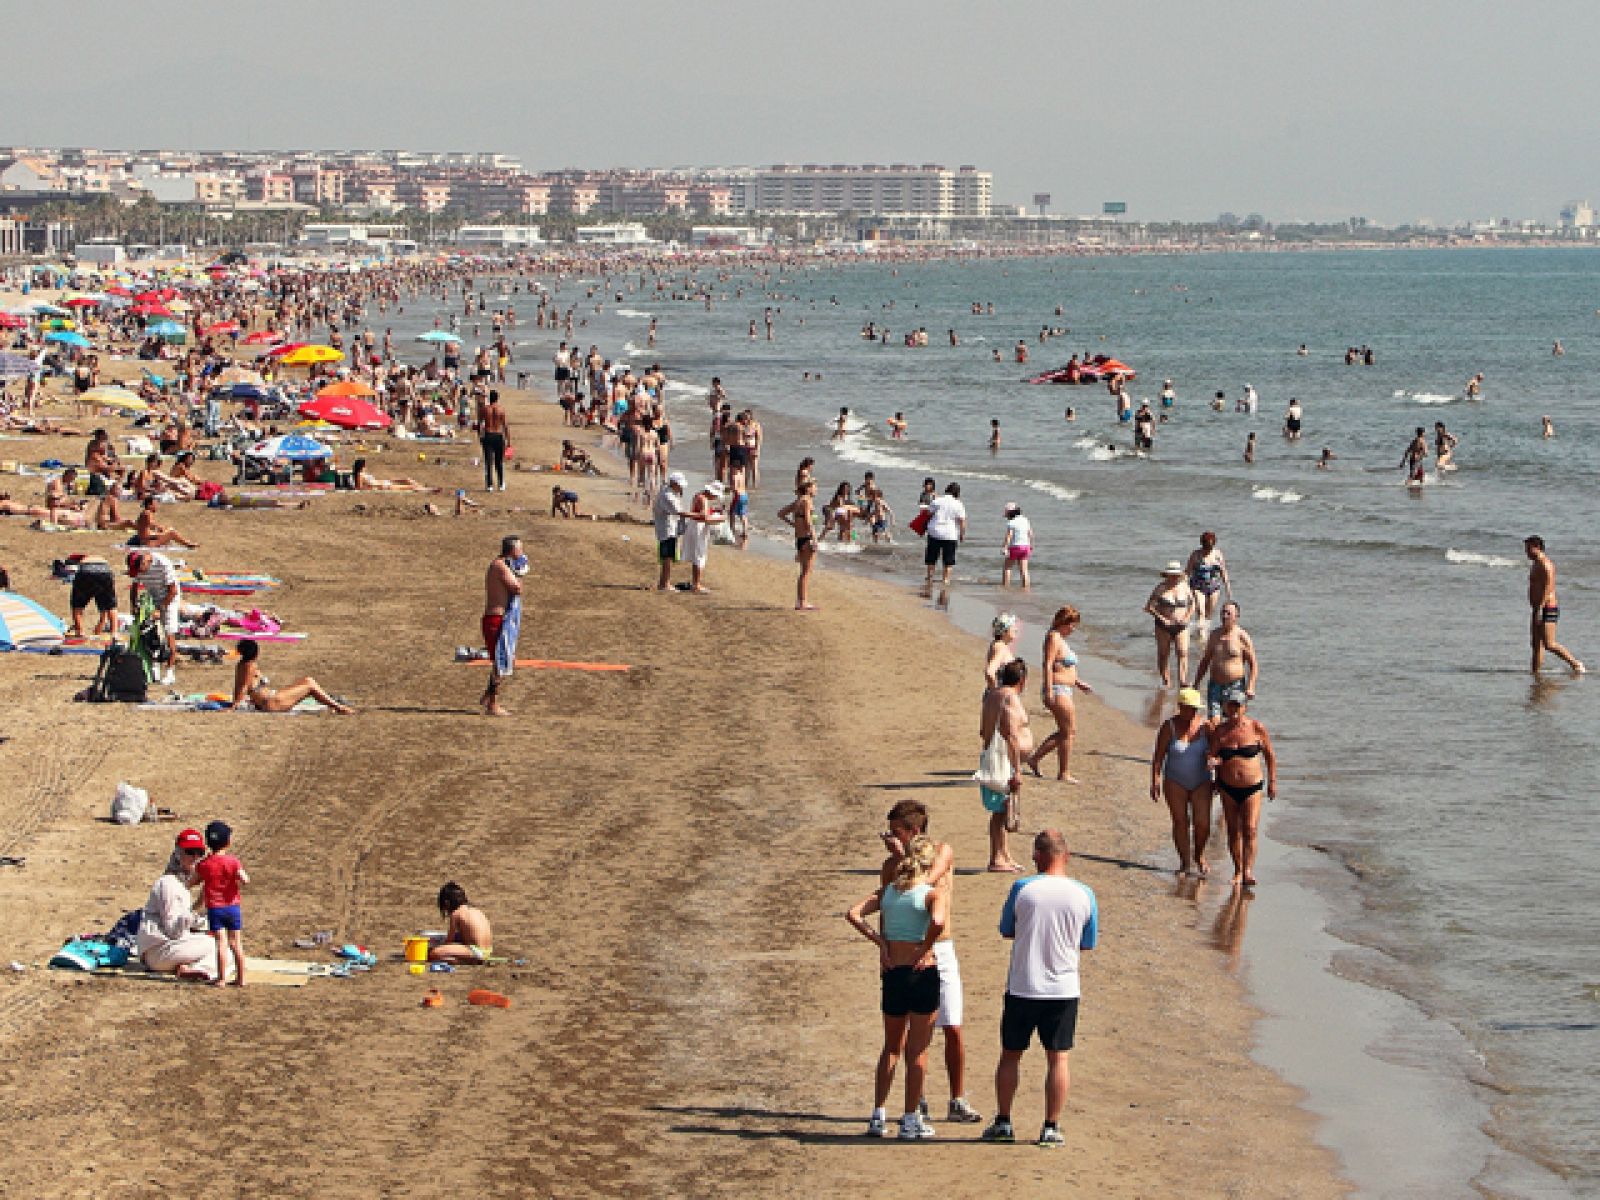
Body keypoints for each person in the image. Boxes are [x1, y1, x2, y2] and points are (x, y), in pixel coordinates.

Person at [981, 829, 1098, 1148]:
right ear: (1066, 856)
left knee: (1010, 1055)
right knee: (1058, 1059)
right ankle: (1051, 1126)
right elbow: (1087, 942)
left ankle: (1004, 1121)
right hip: (1063, 988)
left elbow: (1007, 929)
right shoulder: (1084, 893)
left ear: (1037, 856)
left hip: (1023, 985)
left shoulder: (1023, 888)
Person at [878, 800, 984, 1128]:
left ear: (914, 830)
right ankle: (917, 1100)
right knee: (908, 1033)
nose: (890, 838)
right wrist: (883, 948)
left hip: (941, 947)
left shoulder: (942, 852)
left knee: (952, 1026)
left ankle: (957, 1098)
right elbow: (886, 907)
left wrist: (902, 858)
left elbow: (926, 880)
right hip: (906, 952)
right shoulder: (890, 866)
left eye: (896, 831)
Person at [846, 834, 947, 1140]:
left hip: (893, 973)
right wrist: (925, 948)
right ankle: (910, 1118)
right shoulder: (931, 894)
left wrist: (881, 943)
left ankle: (878, 1114)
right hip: (921, 973)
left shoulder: (889, 891)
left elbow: (853, 914)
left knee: (891, 1047)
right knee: (918, 1051)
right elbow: (938, 922)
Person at [1208, 697, 1278, 887]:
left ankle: (1248, 871)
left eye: (1237, 706)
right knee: (1233, 830)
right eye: (1230, 706)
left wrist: (1272, 781)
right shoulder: (1220, 731)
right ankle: (1238, 870)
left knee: (1250, 829)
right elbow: (1212, 755)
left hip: (1252, 787)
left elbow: (1270, 755)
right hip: (1227, 787)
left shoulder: (1256, 728)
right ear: (1225, 707)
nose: (1233, 710)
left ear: (1244, 707)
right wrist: (1213, 764)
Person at [135, 829, 220, 981]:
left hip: (169, 947)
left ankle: (187, 968)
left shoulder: (182, 885)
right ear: (178, 854)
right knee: (220, 947)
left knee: (223, 943)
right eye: (190, 852)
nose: (195, 857)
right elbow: (173, 931)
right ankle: (197, 969)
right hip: (158, 950)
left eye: (199, 853)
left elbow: (186, 924)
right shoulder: (168, 884)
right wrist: (198, 906)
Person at [1149, 688, 1215, 876]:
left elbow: (1216, 752)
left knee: (1202, 823)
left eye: (1194, 708)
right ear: (1180, 706)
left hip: (1202, 781)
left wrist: (1217, 771)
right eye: (1187, 708)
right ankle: (1185, 862)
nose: (1191, 711)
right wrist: (1155, 779)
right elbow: (1158, 756)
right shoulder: (1168, 726)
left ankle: (1199, 855)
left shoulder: (1206, 727)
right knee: (1180, 822)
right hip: (1175, 781)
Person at [1027, 607, 1092, 783]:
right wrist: (1048, 690)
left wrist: (1078, 682)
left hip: (1065, 689)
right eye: (1071, 625)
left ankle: (1035, 759)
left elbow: (1062, 666)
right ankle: (1063, 772)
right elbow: (1048, 665)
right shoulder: (1053, 637)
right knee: (1068, 732)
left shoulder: (1060, 639)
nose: (1073, 629)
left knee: (1066, 731)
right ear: (1062, 622)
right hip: (1057, 689)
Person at [978, 659, 1031, 872]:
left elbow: (983, 730)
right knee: (1001, 812)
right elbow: (1011, 736)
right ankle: (996, 859)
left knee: (1003, 809)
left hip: (992, 757)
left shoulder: (992, 695)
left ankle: (1004, 855)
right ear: (1022, 680)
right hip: (1002, 761)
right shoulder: (1010, 698)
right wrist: (1017, 770)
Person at [229, 638, 354, 713]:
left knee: (307, 681)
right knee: (310, 683)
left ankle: (335, 704)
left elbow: (240, 686)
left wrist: (239, 701)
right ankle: (339, 707)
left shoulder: (243, 665)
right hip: (272, 703)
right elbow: (243, 687)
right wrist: (235, 705)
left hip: (271, 699)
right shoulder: (249, 666)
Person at [194, 820, 249, 988]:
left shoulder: (204, 864)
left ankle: (221, 978)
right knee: (236, 943)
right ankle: (241, 978)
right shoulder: (233, 862)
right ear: (228, 842)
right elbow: (245, 879)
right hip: (232, 907)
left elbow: (193, 881)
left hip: (215, 909)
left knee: (221, 943)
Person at [1525, 535, 1585, 675]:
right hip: (1537, 608)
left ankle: (1576, 664)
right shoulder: (1535, 564)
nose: (1526, 552)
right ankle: (1535, 674)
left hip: (1547, 607)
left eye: (1528, 549)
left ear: (1537, 547)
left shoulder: (1546, 564)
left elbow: (1549, 587)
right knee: (1536, 644)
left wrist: (1540, 607)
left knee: (1549, 644)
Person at [481, 535, 524, 716]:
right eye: (520, 549)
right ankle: (493, 704)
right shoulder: (499, 566)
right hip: (495, 619)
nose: (522, 552)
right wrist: (519, 574)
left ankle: (488, 696)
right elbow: (516, 588)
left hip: (498, 619)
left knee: (505, 660)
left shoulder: (501, 565)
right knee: (501, 662)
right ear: (512, 550)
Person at [1190, 602, 1258, 716]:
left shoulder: (1242, 637)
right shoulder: (1214, 635)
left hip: (1235, 686)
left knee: (1233, 720)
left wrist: (1251, 686)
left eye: (1228, 613)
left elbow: (1253, 664)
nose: (1224, 616)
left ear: (1236, 616)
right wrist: (1196, 683)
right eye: (1223, 613)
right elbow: (1205, 661)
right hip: (1215, 685)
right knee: (1213, 721)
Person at [127, 550, 181, 685]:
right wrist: (134, 605)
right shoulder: (138, 567)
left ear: (144, 562)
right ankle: (154, 667)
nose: (140, 573)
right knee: (149, 633)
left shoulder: (163, 563)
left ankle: (170, 672)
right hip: (152, 599)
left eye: (141, 570)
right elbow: (134, 587)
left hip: (169, 598)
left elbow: (173, 590)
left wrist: (160, 609)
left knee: (169, 633)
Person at [1144, 563, 1197, 688]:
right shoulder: (1160, 588)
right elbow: (1149, 607)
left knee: (1183, 652)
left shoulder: (1185, 587)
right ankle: (1166, 680)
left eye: (1176, 575)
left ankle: (1182, 681)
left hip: (1182, 625)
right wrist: (1162, 619)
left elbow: (1193, 604)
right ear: (1167, 575)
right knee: (1163, 654)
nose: (1174, 577)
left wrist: (1187, 617)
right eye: (1171, 575)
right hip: (1163, 626)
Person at [777, 478, 819, 611]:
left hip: (799, 538)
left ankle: (800, 601)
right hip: (807, 538)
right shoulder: (807, 501)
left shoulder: (798, 501)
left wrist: (794, 524)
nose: (816, 489)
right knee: (806, 572)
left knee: (803, 571)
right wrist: (814, 538)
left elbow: (781, 513)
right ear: (808, 488)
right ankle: (803, 601)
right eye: (815, 486)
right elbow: (808, 521)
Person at [429, 881, 494, 964]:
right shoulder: (476, 911)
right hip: (488, 951)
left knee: (434, 953)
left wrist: (436, 947)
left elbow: (449, 942)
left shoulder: (456, 914)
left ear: (447, 903)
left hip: (477, 952)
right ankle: (469, 959)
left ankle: (466, 960)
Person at [680, 480, 726, 594]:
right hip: (698, 528)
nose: (715, 498)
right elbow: (705, 518)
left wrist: (712, 511)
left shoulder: (698, 495)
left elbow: (699, 513)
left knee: (697, 555)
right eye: (715, 496)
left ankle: (695, 582)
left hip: (694, 525)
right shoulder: (704, 499)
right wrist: (721, 518)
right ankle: (696, 585)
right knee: (699, 556)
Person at [1184, 532, 1232, 628]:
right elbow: (1187, 572)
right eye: (1206, 547)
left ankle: (1204, 631)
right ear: (1202, 544)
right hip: (1197, 586)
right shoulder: (1195, 555)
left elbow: (1223, 572)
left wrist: (1228, 588)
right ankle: (1201, 634)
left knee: (1208, 614)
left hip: (1214, 587)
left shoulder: (1218, 554)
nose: (1207, 550)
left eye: (1210, 548)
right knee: (1201, 612)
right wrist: (1181, 586)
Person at [923, 483, 966, 586]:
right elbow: (962, 521)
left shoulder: (937, 501)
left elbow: (928, 513)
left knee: (932, 558)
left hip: (935, 532)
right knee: (948, 560)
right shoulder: (958, 504)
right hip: (950, 534)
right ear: (957, 493)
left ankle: (930, 577)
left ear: (946, 490)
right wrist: (962, 534)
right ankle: (945, 580)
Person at [68, 554, 119, 637]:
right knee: (110, 605)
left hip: (85, 571)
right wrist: (100, 625)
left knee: (77, 605)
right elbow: (104, 608)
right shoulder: (98, 558)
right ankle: (114, 633)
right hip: (105, 570)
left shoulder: (80, 560)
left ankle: (79, 631)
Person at [652, 472, 687, 591]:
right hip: (667, 529)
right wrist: (698, 516)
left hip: (669, 528)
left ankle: (664, 582)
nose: (681, 487)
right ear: (673, 483)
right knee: (667, 556)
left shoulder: (669, 492)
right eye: (679, 485)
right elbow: (678, 511)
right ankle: (665, 583)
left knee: (669, 556)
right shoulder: (667, 495)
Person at [478, 388, 510, 492]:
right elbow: (505, 426)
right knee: (498, 461)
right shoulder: (501, 410)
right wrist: (508, 441)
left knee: (488, 461)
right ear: (497, 398)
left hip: (488, 435)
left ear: (489, 398)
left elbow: (480, 424)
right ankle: (501, 484)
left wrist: (480, 436)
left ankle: (489, 485)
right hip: (498, 435)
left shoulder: (484, 409)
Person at [1000, 503, 1032, 589]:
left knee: (1007, 567)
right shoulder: (1025, 520)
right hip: (1025, 546)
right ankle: (1026, 587)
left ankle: (1005, 586)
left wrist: (1004, 547)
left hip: (1015, 547)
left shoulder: (1011, 522)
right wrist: (1031, 545)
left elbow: (1009, 536)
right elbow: (1030, 533)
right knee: (1024, 570)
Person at [984, 613, 1019, 689]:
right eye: (1012, 626)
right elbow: (989, 672)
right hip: (1000, 691)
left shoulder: (997, 644)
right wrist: (996, 690)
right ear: (1004, 631)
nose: (1016, 629)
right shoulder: (1001, 648)